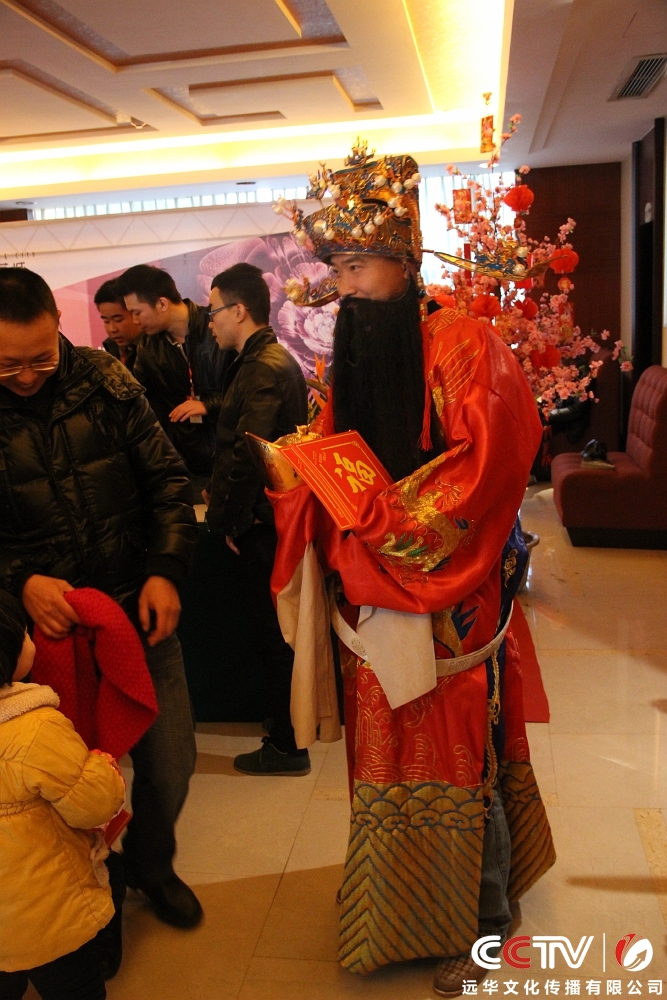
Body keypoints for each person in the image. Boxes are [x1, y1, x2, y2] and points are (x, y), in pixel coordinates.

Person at [265, 145, 556, 995]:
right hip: (368, 586)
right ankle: (397, 902)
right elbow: (330, 441)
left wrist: (377, 519)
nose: (344, 287)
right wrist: (299, 473)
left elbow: (486, 467)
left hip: (447, 588)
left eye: (358, 266)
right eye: (336, 270)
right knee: (384, 750)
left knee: (462, 752)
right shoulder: (355, 352)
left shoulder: (465, 344)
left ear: (404, 259)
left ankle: (487, 924)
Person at [0, 267, 203, 930]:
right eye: (7, 365)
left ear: (59, 327)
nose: (26, 377)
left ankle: (151, 865)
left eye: (40, 359)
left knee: (170, 761)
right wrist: (20, 581)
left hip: (134, 611)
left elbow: (167, 482)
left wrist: (165, 569)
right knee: (69, 778)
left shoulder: (105, 381)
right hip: (43, 638)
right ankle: (94, 884)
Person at [206, 263, 310, 775]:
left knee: (275, 634)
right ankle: (285, 728)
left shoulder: (263, 366)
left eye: (213, 311)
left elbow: (250, 454)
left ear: (239, 310)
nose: (210, 322)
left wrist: (229, 520)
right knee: (274, 631)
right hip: (268, 518)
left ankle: (289, 744)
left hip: (265, 522)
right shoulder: (261, 360)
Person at [0, 589, 125, 1000]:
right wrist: (104, 771)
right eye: (23, 632)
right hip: (47, 918)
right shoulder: (37, 729)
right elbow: (93, 803)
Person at [117, 264, 231, 504]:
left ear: (162, 303)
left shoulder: (217, 326)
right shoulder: (148, 347)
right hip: (187, 466)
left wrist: (208, 405)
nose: (135, 321)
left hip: (230, 459)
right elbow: (141, 402)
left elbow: (247, 394)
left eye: (137, 312)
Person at [94, 278, 142, 373]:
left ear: (135, 313)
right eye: (106, 321)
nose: (112, 329)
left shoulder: (155, 351)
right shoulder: (111, 351)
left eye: (118, 320)